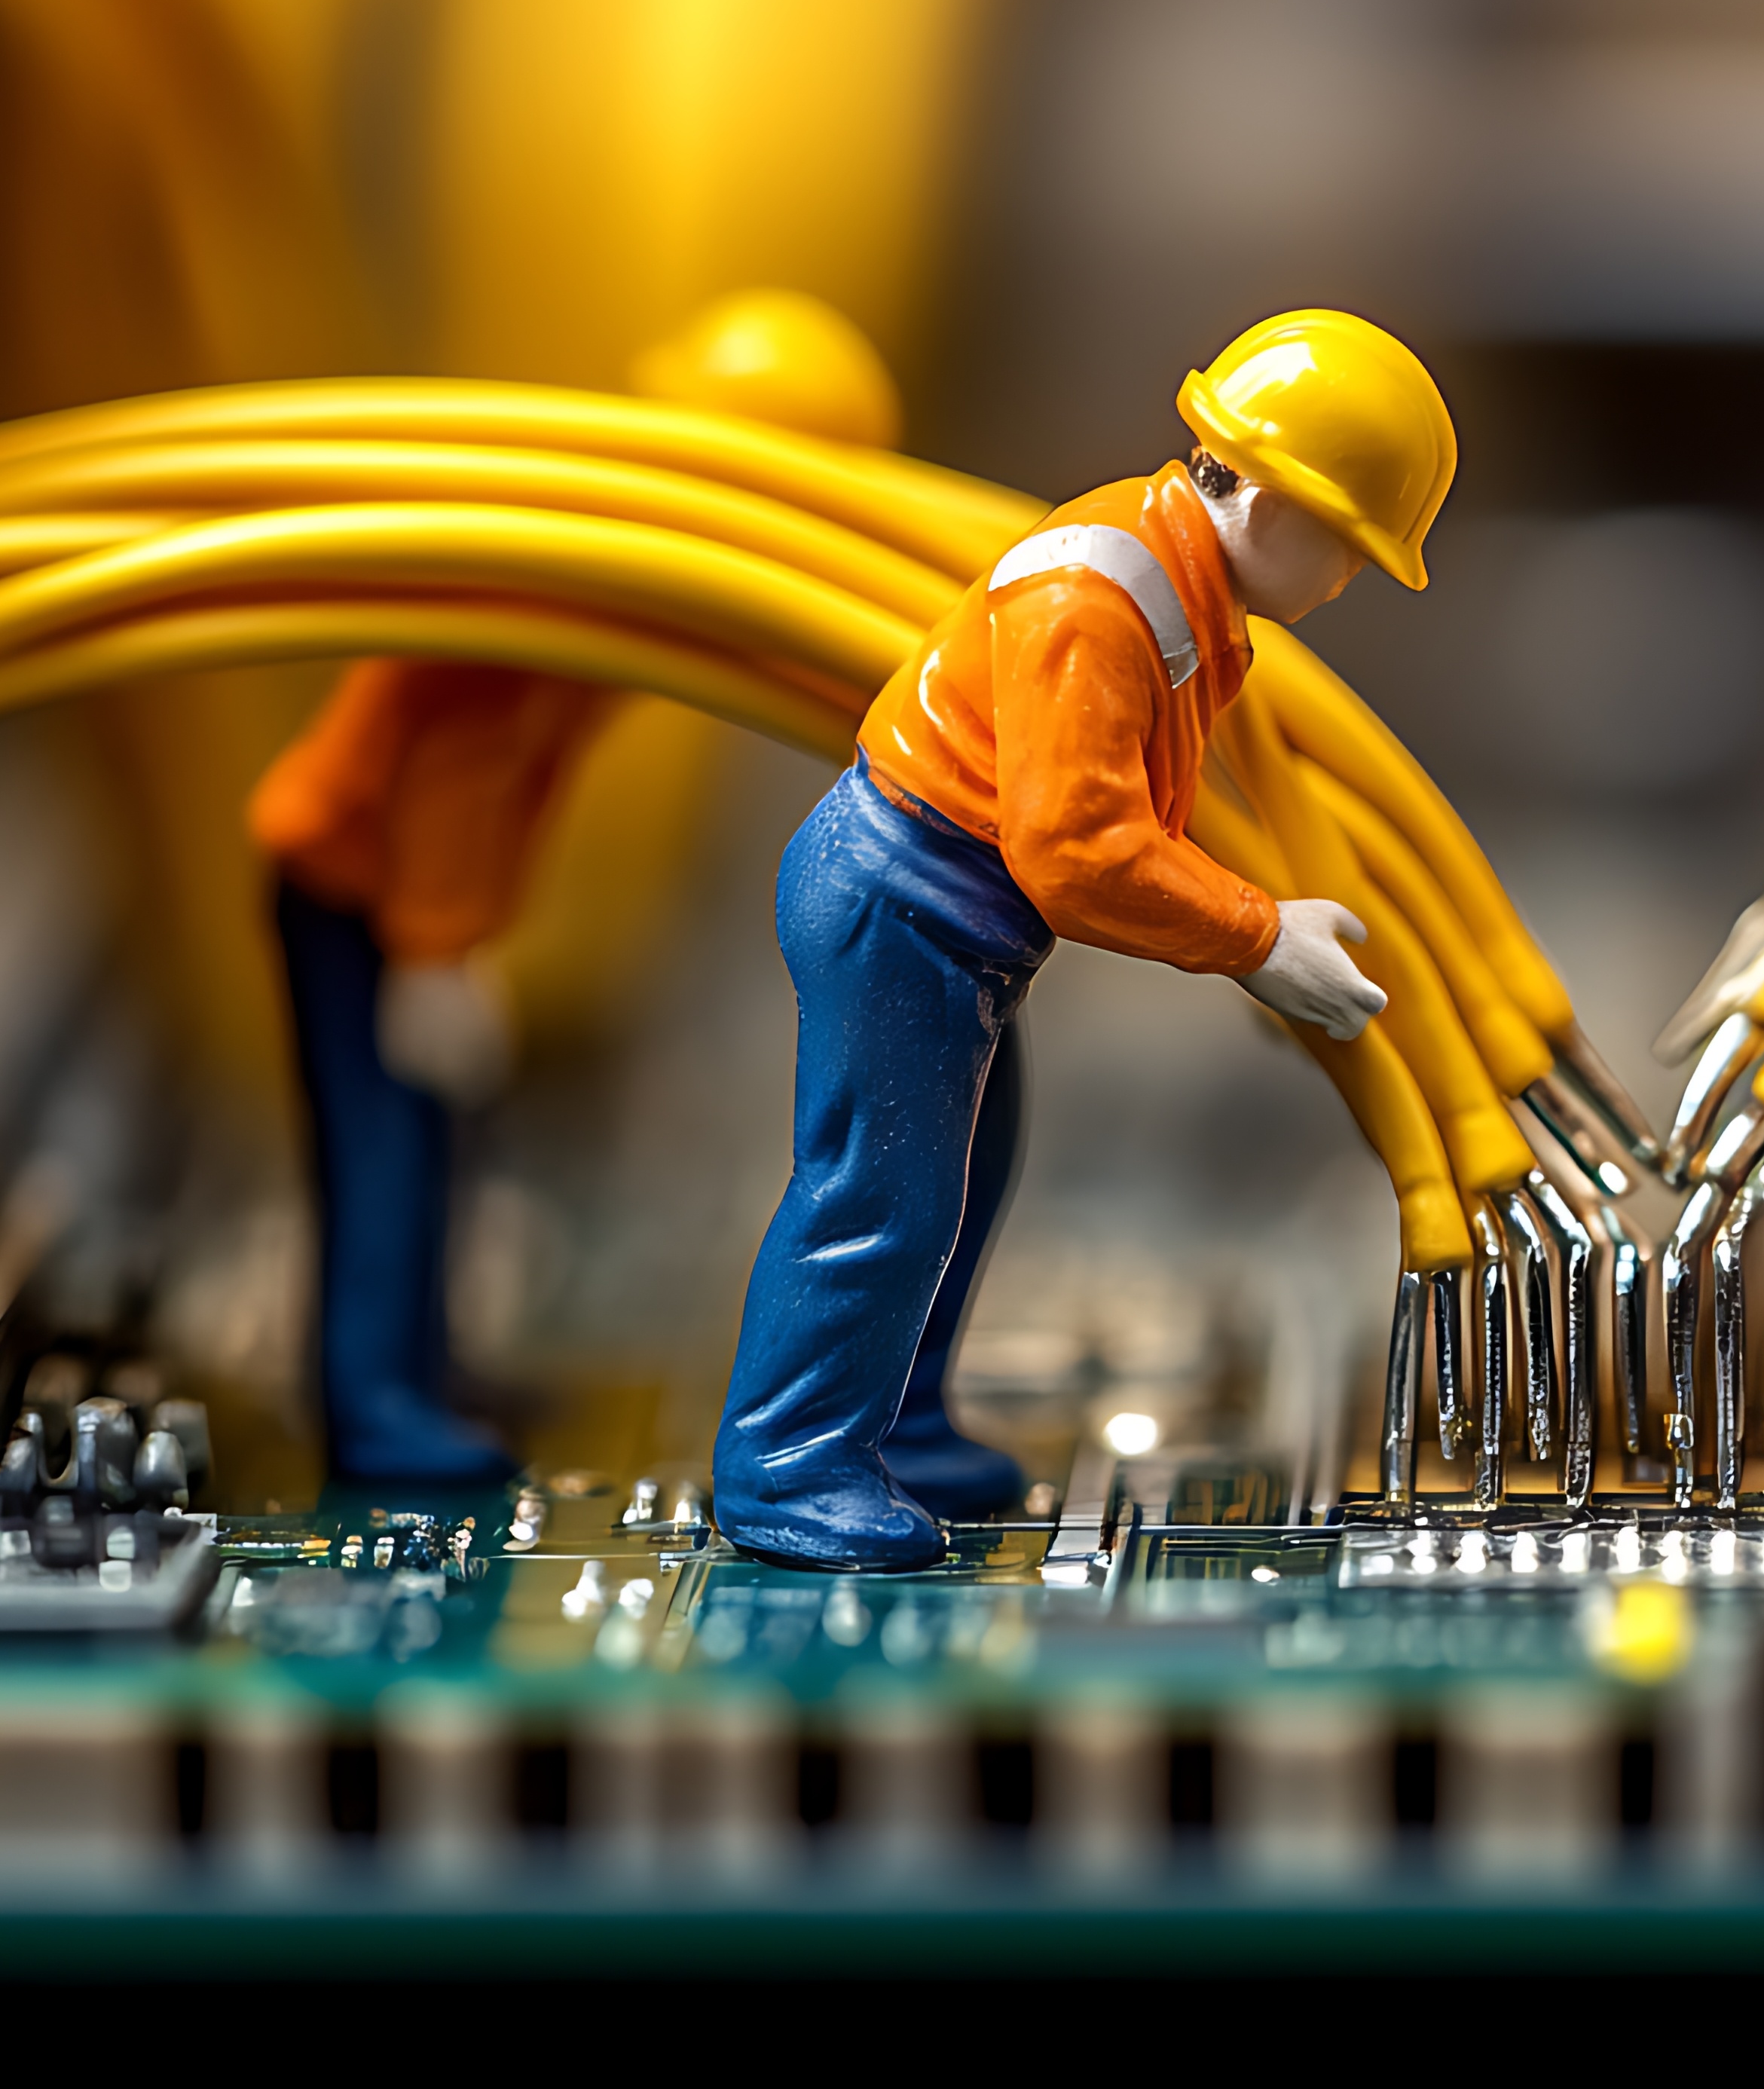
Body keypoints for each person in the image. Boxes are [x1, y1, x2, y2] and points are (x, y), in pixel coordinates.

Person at [710, 310, 1451, 1569]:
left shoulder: (1177, 582)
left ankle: (892, 1430)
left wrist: (1258, 921)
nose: (1343, 585)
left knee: (955, 1183)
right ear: (1274, 508)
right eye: (1349, 552)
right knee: (878, 1198)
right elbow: (1080, 854)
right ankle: (789, 1469)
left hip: (946, 912)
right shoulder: (1094, 605)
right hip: (907, 898)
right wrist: (1257, 937)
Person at [252, 288, 901, 1485]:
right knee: (387, 1143)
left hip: (414, 893)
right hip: (360, 879)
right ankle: (374, 1404)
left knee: (440, 1136)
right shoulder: (566, 566)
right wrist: (434, 951)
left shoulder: (622, 555)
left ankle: (425, 1370)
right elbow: (460, 765)